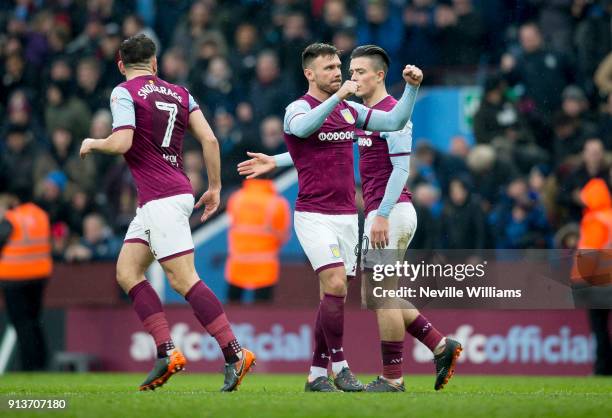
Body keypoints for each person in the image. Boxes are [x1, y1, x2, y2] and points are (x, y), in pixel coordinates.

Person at [239, 45, 461, 392]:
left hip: (385, 213)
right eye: (336, 68)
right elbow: (307, 133)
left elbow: (399, 143)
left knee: (378, 295)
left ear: (378, 75)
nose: (345, 75)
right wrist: (278, 160)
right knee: (369, 294)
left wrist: (413, 89)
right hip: (339, 213)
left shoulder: (358, 109)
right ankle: (433, 346)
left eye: (349, 69)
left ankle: (393, 377)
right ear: (310, 74)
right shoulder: (313, 107)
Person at [79, 34, 254, 392]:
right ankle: (166, 351)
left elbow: (123, 141)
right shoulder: (180, 93)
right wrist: (216, 187)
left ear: (120, 64)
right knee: (128, 271)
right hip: (164, 196)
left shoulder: (123, 92)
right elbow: (210, 140)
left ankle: (235, 353)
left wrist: (94, 142)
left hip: (161, 197)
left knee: (183, 279)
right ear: (155, 63)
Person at [0, 186, 52, 371]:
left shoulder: (12, 218)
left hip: (14, 277)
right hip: (39, 276)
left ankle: (29, 364)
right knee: (34, 319)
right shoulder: (41, 215)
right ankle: (42, 361)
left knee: (21, 323)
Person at [225, 178, 291, 303]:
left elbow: (232, 226)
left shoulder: (236, 198)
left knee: (231, 313)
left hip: (237, 266)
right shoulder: (277, 203)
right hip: (265, 269)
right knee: (262, 316)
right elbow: (283, 237)